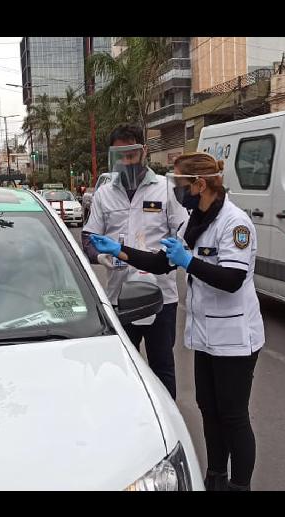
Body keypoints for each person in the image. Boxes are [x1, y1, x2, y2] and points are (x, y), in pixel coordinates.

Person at [90, 152, 264, 491]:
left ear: (199, 184)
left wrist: (189, 262)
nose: (177, 190)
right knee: (209, 411)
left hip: (235, 337)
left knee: (233, 416)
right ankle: (216, 477)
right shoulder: (194, 221)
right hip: (206, 335)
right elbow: (160, 263)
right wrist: (120, 249)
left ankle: (239, 485)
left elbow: (232, 279)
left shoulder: (235, 223)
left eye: (181, 184)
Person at [81, 124, 187, 399]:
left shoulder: (166, 189)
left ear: (144, 152)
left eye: (132, 154)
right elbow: (89, 236)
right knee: (122, 365)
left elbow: (184, 235)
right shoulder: (104, 194)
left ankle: (166, 423)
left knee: (162, 365)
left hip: (161, 296)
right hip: (118, 295)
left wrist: (171, 257)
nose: (127, 162)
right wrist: (101, 256)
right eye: (121, 156)